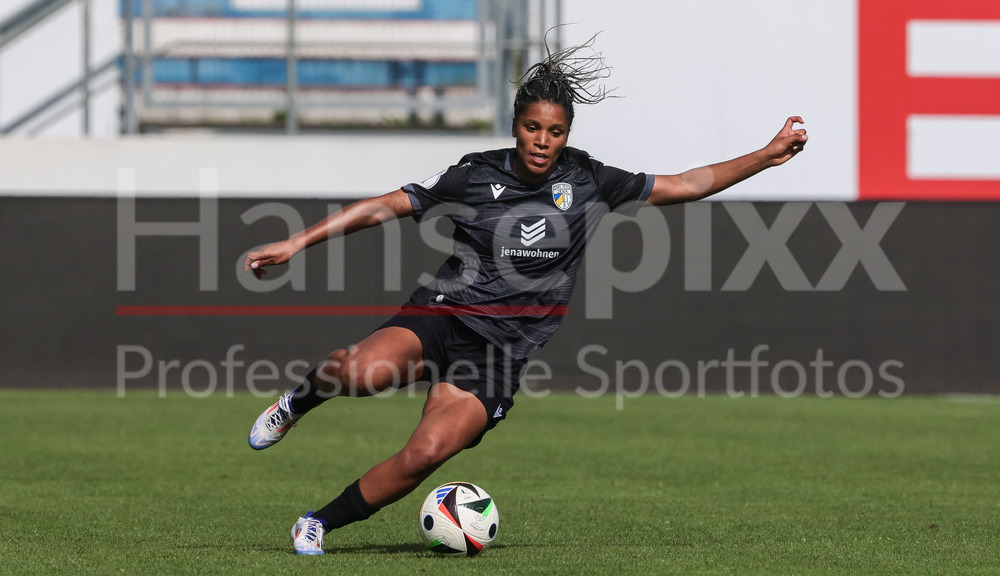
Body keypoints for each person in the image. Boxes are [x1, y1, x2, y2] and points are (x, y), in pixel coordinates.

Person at [244, 36, 807, 555]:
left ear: (567, 135)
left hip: (499, 355)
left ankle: (317, 522)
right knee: (359, 372)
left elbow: (685, 184)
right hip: (443, 315)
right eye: (534, 127)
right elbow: (389, 204)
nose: (543, 141)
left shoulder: (589, 181)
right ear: (516, 125)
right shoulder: (475, 176)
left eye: (555, 131)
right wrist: (296, 242)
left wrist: (765, 154)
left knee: (425, 454)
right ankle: (296, 404)